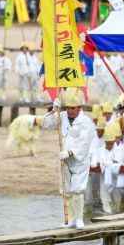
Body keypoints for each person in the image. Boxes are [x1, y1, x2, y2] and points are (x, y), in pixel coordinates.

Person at [46, 87, 95, 229]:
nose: (69, 111)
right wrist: (53, 110)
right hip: (64, 160)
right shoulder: (61, 116)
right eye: (67, 108)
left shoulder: (86, 121)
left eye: (72, 108)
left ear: (79, 108)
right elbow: (47, 124)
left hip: (79, 160)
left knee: (77, 189)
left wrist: (70, 152)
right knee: (67, 190)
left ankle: (79, 218)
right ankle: (71, 219)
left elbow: (84, 141)